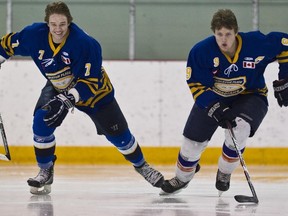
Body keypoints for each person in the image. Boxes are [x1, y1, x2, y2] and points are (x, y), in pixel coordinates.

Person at [0, 1, 164, 195]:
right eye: (53, 24)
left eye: (62, 24)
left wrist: (69, 98)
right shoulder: (34, 35)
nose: (58, 29)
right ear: (47, 24)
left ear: (69, 22)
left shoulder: (85, 44)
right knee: (41, 122)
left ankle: (142, 166)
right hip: (57, 87)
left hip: (95, 93)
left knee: (120, 137)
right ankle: (45, 170)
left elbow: (90, 81)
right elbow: (7, 45)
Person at [160, 9, 288, 195]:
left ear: (236, 32)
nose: (224, 39)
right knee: (191, 144)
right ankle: (182, 178)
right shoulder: (201, 51)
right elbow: (196, 84)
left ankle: (224, 172)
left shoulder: (256, 43)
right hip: (214, 97)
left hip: (251, 95)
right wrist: (214, 106)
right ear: (214, 34)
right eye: (219, 34)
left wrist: (285, 79)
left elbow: (285, 44)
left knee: (240, 128)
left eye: (228, 34)